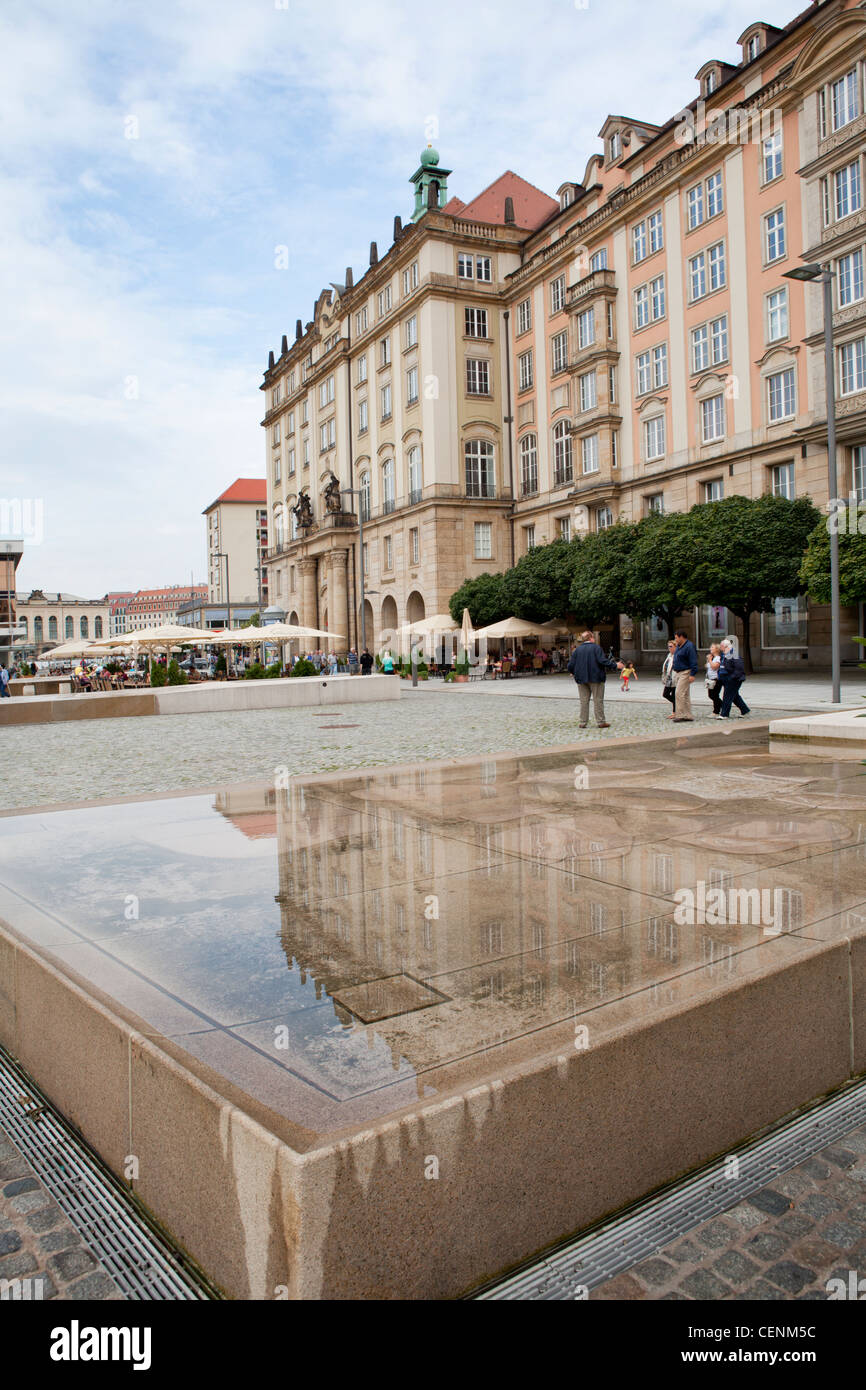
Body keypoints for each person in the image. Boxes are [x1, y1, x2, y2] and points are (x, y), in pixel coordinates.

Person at [566, 631, 623, 728]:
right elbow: (602, 661)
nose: (594, 639)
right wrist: (615, 665)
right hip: (596, 677)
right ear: (591, 638)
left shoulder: (577, 650)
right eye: (593, 637)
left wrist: (574, 672)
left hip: (581, 679)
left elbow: (570, 665)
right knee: (598, 700)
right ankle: (600, 722)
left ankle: (583, 722)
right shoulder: (596, 648)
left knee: (583, 701)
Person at [717, 639, 750, 719]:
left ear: (725, 646)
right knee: (734, 696)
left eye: (721, 646)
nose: (720, 647)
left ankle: (724, 714)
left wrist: (731, 678)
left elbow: (739, 668)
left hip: (733, 679)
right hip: (726, 678)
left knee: (727, 696)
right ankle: (745, 710)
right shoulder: (724, 654)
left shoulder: (733, 654)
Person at [671, 630, 698, 722]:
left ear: (681, 636)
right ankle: (688, 715)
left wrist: (692, 674)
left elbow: (693, 660)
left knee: (679, 693)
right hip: (678, 672)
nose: (675, 639)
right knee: (685, 694)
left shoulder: (689, 646)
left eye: (676, 637)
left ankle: (681, 715)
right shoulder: (679, 646)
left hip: (685, 672)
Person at [705, 643, 723, 718]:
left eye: (712, 647)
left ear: (717, 649)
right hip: (710, 679)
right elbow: (707, 666)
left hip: (716, 679)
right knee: (711, 695)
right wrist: (709, 660)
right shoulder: (713, 658)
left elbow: (715, 667)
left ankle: (716, 711)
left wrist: (710, 660)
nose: (710, 648)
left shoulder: (718, 658)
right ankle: (723, 706)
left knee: (714, 695)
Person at [661, 640, 677, 718]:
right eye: (668, 646)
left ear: (675, 647)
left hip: (675, 677)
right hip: (669, 678)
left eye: (671, 646)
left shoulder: (677, 655)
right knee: (665, 694)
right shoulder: (669, 655)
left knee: (674, 695)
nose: (669, 648)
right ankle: (678, 705)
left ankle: (675, 712)